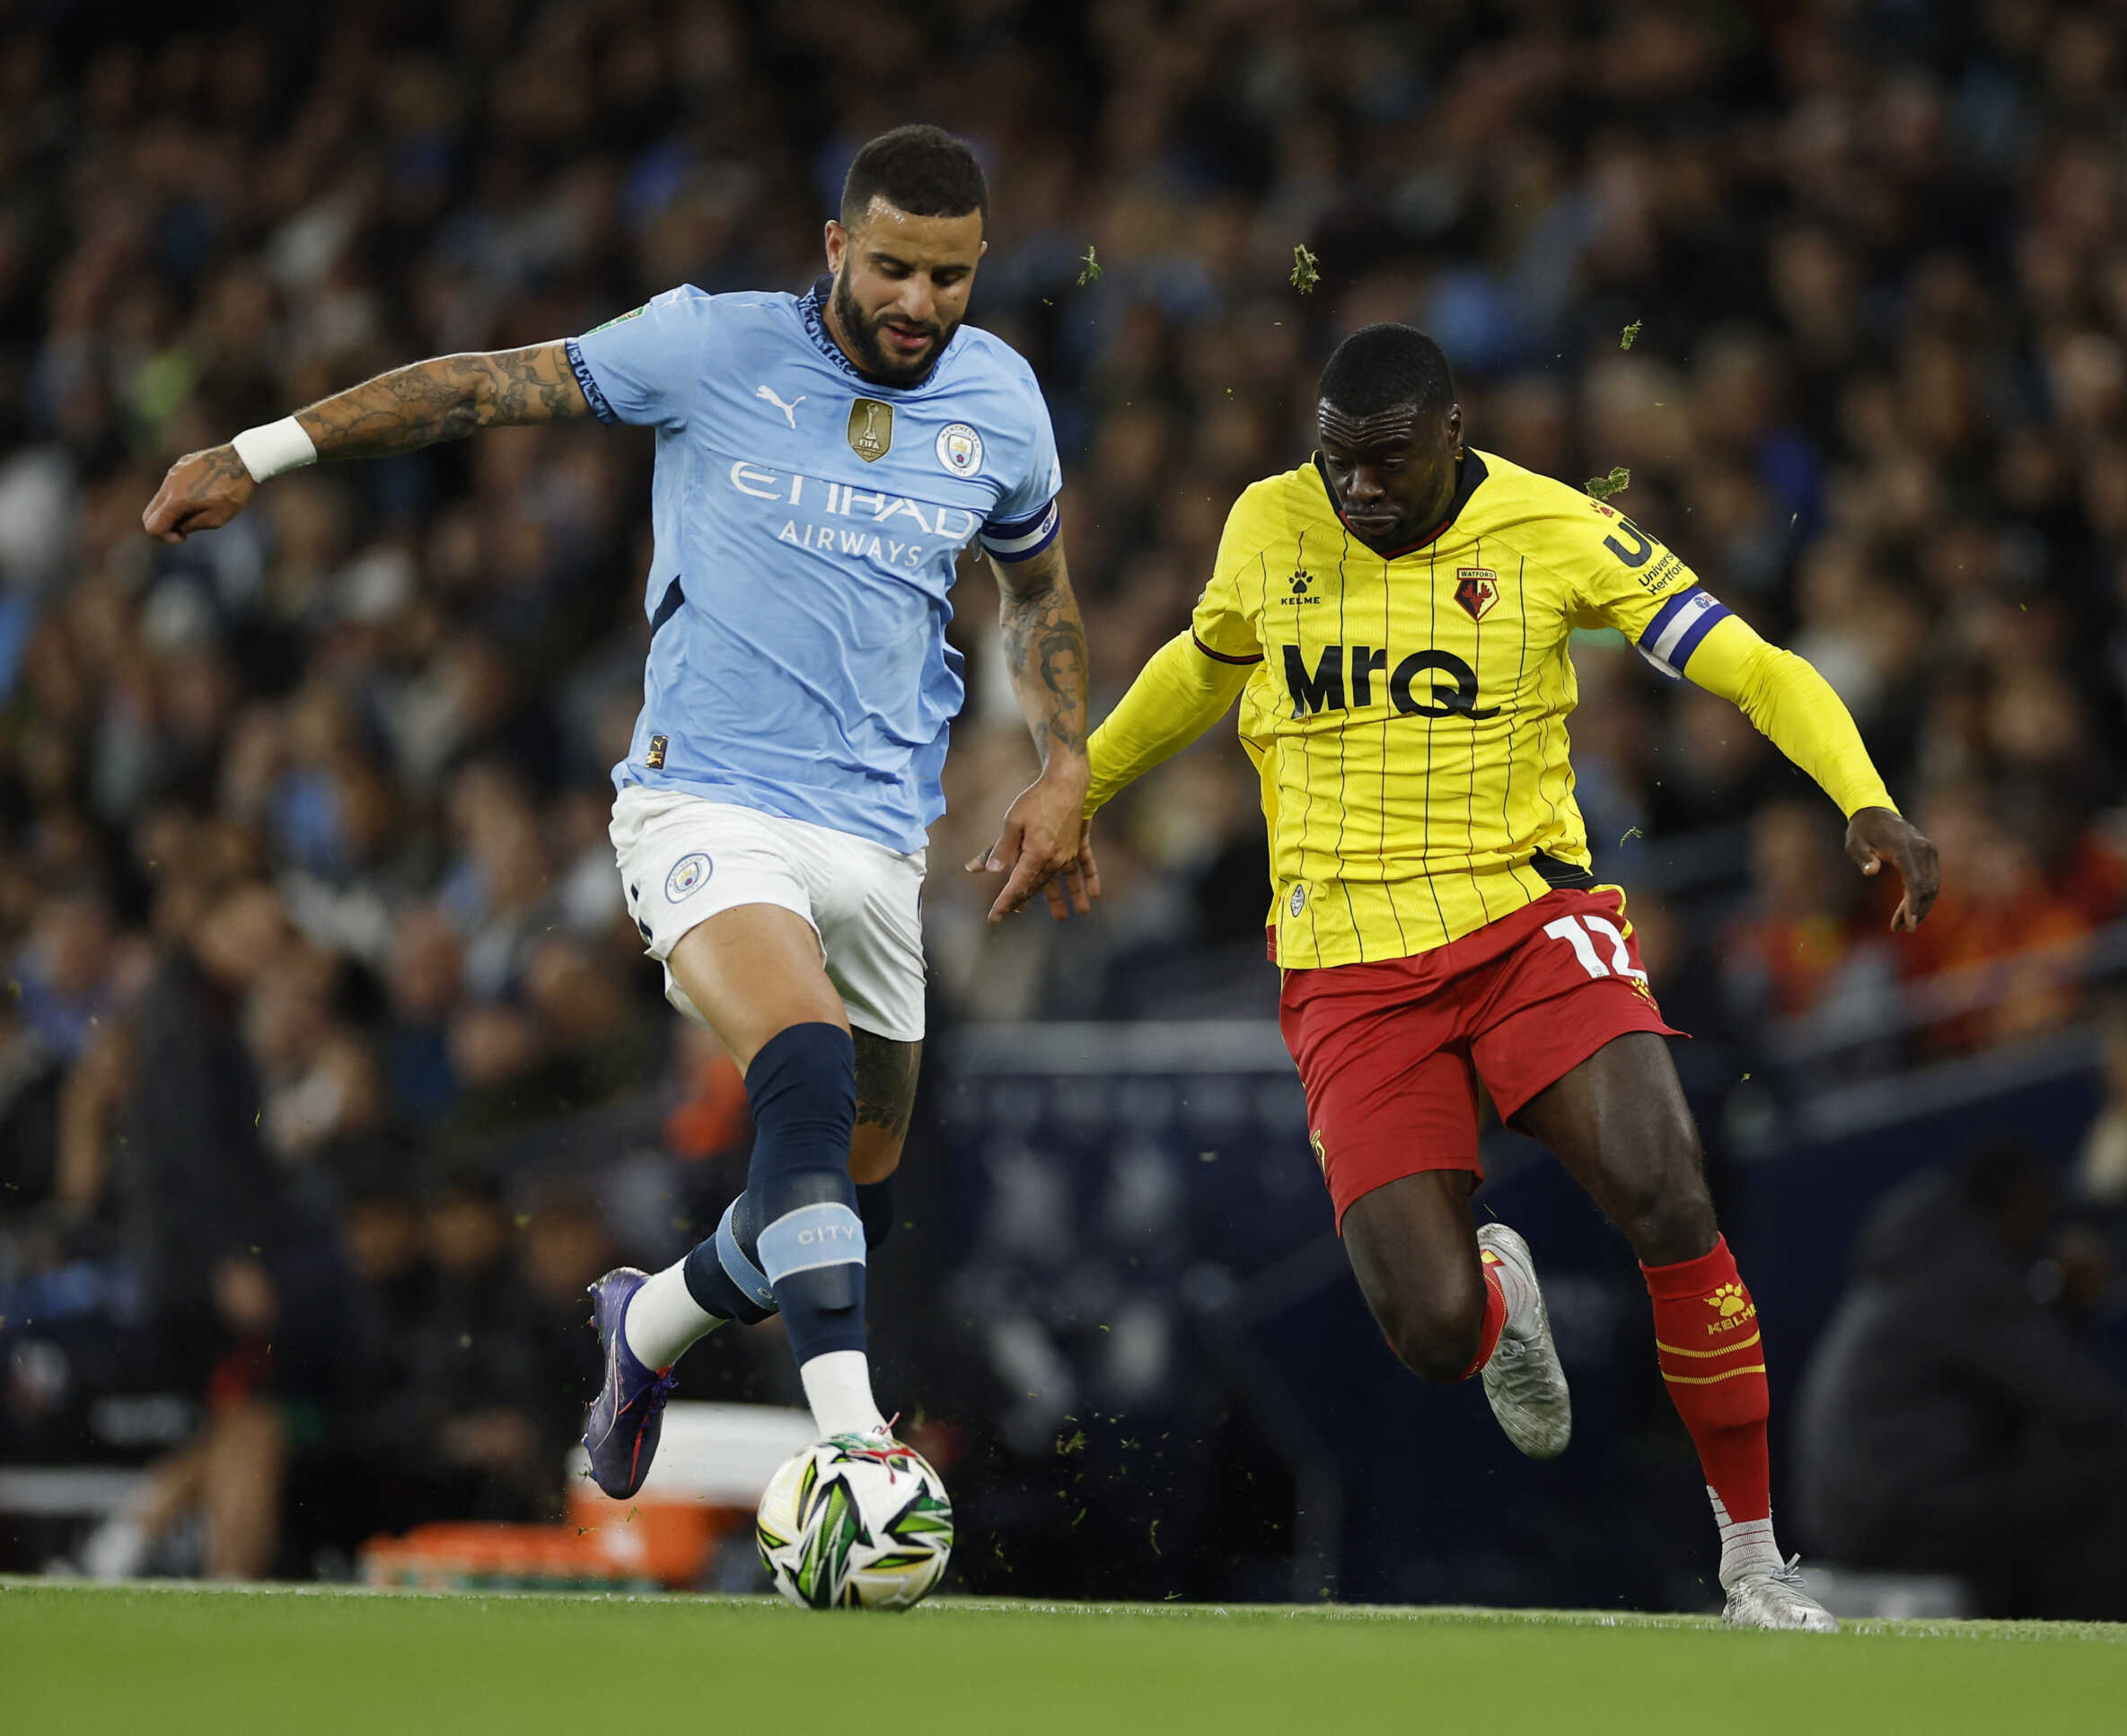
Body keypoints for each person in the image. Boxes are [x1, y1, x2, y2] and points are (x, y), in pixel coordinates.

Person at [142, 126, 1092, 1498]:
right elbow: (482, 389)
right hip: (704, 802)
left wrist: (1064, 764)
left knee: (840, 1179)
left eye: (950, 277)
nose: (919, 304)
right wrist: (264, 449)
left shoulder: (1002, 401)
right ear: (837, 248)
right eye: (892, 268)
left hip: (880, 837)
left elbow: (1042, 592)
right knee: (807, 1075)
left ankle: (644, 1326)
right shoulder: (706, 345)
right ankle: (855, 1446)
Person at [1069, 324, 1938, 1629]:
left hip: (1525, 915)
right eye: (1338, 461)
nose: (1358, 489)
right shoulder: (1269, 524)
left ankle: (1756, 1563)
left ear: (1454, 438)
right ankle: (1498, 1299)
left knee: (1665, 1186)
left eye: (1388, 463)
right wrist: (1075, 785)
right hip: (1347, 958)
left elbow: (1748, 661)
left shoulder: (1557, 530)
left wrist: (1863, 796)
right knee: (1428, 1328)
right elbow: (1203, 666)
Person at [1794, 1144, 2127, 1619]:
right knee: (2123, 1476)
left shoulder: (1924, 1260)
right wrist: (2077, 1307)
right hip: (1899, 1513)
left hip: (1855, 1512)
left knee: (2059, 1473)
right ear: (2016, 1203)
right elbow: (2084, 1404)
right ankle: (2087, 1662)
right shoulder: (1966, 1276)